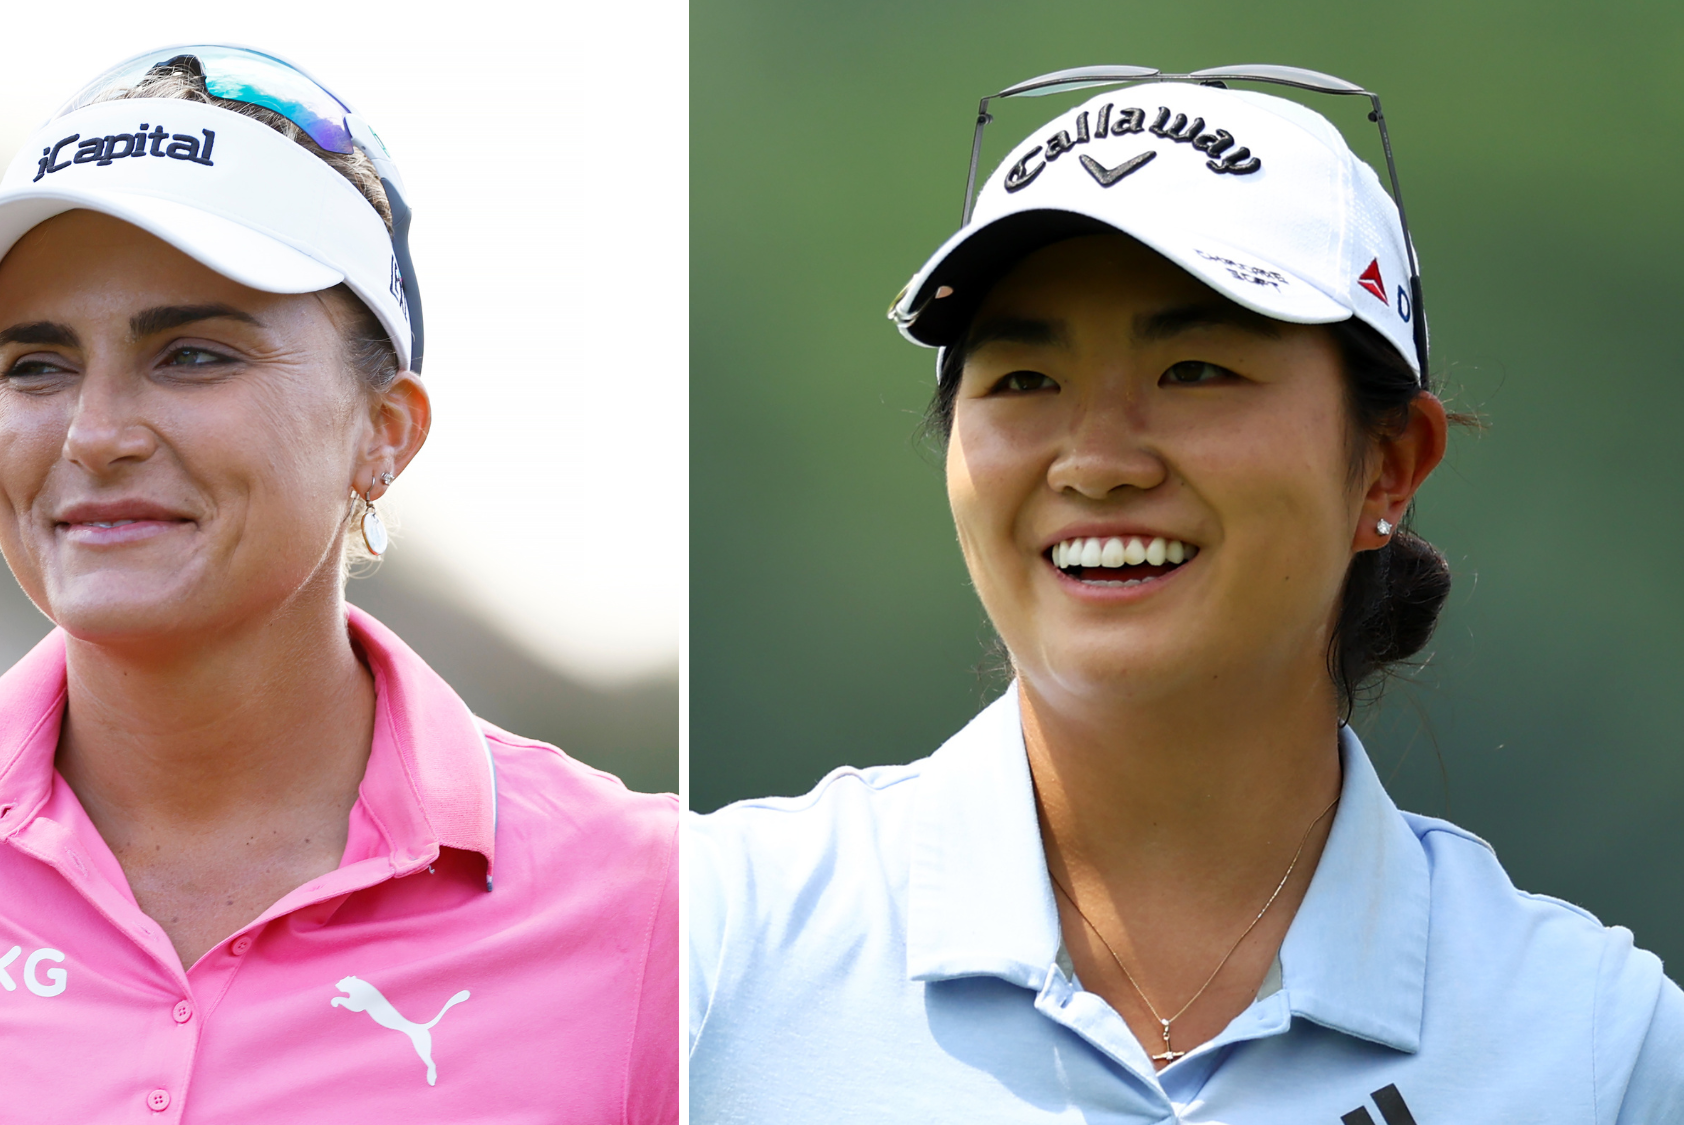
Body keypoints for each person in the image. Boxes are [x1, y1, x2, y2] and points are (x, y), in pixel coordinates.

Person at [0, 46, 675, 1122]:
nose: (95, 433)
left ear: (381, 434)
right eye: (35, 364)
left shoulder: (649, 904)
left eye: (193, 355)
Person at [687, 67, 1684, 1122]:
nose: (1095, 461)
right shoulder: (707, 944)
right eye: (1022, 380)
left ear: (1387, 465)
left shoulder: (1592, 1045)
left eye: (1195, 369)